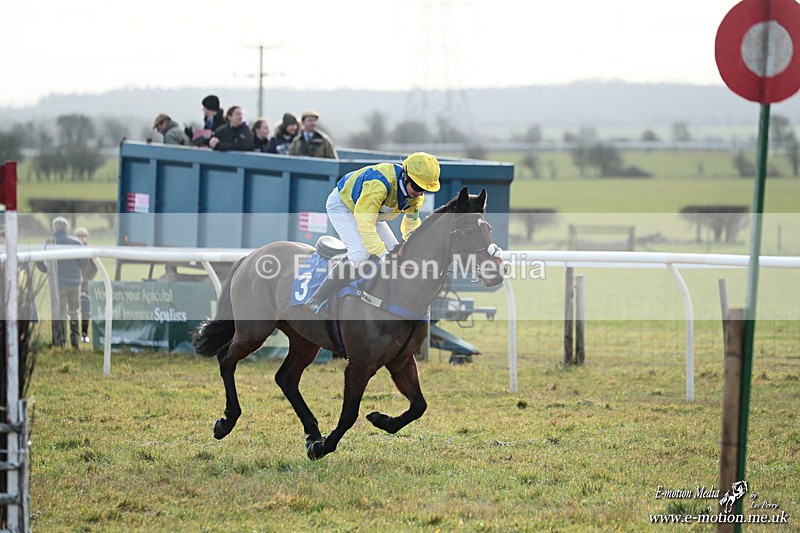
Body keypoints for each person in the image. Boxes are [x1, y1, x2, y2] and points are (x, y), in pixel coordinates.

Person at [305, 152, 440, 313]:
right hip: (343, 206)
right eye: (418, 187)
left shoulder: (415, 196)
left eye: (425, 189)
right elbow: (365, 225)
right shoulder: (379, 185)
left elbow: (411, 225)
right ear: (405, 176)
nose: (419, 193)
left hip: (372, 213)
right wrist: (382, 254)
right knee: (360, 253)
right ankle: (317, 298)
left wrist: (414, 245)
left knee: (395, 251)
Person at [36, 217, 86, 349]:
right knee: (74, 312)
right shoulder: (76, 243)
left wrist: (48, 270)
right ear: (66, 228)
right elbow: (84, 262)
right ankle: (75, 342)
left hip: (58, 283)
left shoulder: (48, 243)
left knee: (61, 312)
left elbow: (38, 260)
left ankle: (61, 342)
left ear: (54, 228)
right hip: (75, 283)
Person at [73, 227, 98, 343]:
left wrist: (88, 277)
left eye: (84, 236)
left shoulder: (90, 251)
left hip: (86, 285)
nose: (82, 238)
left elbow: (96, 266)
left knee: (86, 311)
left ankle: (84, 334)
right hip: (73, 283)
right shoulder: (71, 250)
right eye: (79, 236)